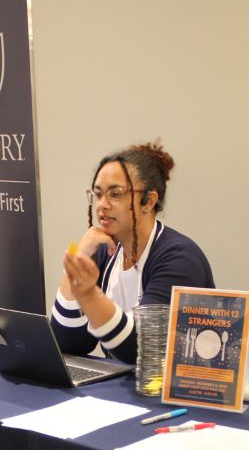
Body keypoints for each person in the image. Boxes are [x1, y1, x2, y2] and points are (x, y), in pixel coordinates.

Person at [51, 140, 214, 364]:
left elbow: (142, 349)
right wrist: (77, 261)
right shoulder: (104, 251)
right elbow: (68, 343)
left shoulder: (179, 258)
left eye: (115, 194)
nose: (102, 205)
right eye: (98, 195)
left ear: (148, 201)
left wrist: (89, 295)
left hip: (176, 392)